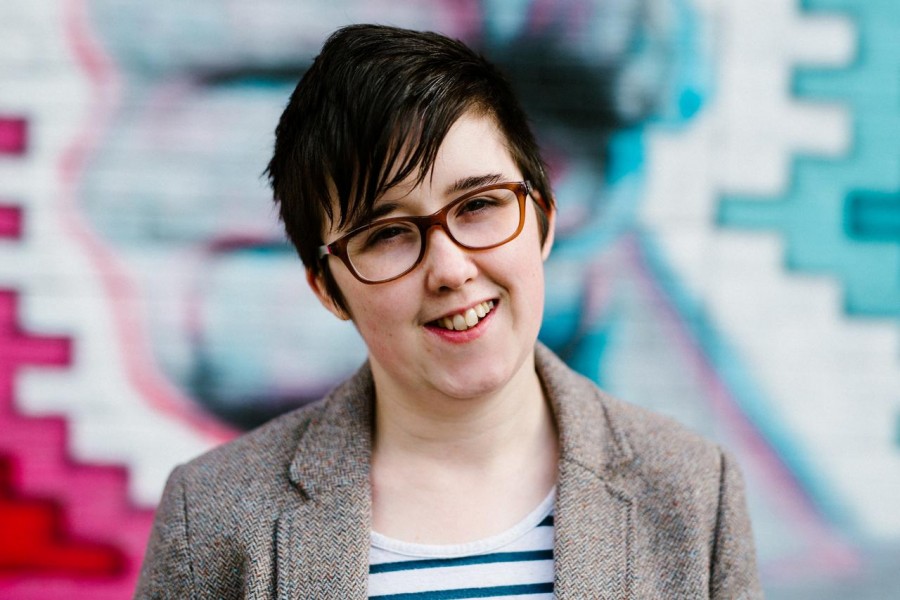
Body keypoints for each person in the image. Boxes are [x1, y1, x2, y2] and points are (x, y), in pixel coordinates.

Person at [135, 24, 761, 599]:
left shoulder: (693, 493)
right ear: (328, 289)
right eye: (387, 235)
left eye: (480, 205)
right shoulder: (213, 517)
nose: (452, 269)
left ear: (542, 218)